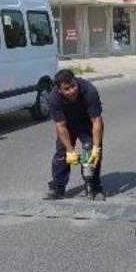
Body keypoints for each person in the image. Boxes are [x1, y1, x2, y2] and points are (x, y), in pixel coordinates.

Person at [45, 69, 105, 201]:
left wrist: (96, 148)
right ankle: (57, 187)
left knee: (92, 154)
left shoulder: (89, 91)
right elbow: (60, 126)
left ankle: (94, 187)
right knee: (62, 153)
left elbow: (96, 121)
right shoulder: (53, 98)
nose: (72, 91)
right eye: (67, 89)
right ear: (59, 90)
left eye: (73, 86)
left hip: (88, 122)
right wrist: (70, 151)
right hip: (68, 124)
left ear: (76, 81)